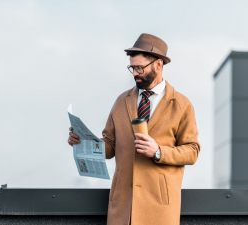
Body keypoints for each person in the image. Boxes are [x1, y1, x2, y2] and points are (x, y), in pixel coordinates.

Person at [68, 33, 200, 225]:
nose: (135, 73)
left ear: (158, 64)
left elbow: (192, 151)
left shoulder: (181, 104)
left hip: (159, 209)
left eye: (140, 68)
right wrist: (84, 142)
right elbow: (110, 146)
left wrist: (158, 152)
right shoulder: (121, 101)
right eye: (132, 68)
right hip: (123, 208)